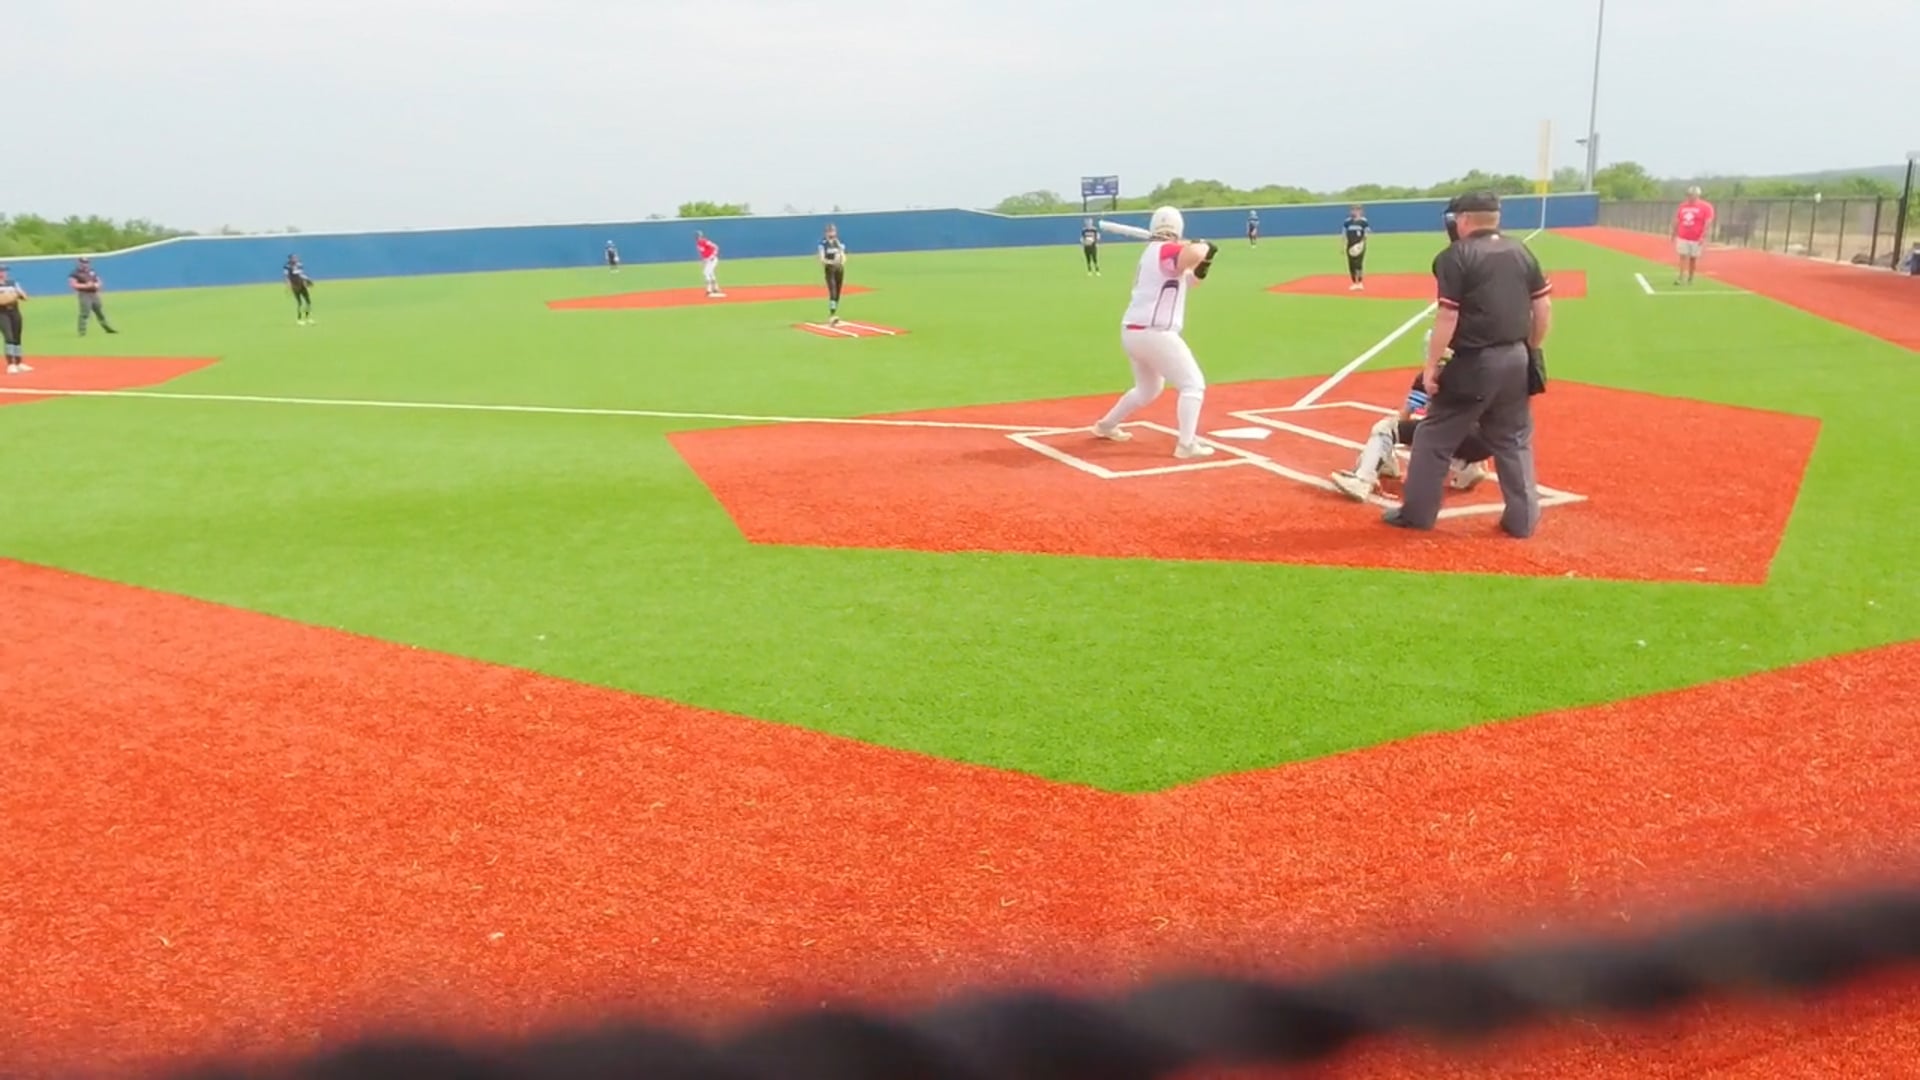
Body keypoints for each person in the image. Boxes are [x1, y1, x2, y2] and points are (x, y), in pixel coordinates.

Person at [1384, 191, 1551, 538]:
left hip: (1476, 361)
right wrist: (1531, 349)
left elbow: (1448, 315)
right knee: (1514, 439)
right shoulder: (1520, 251)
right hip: (1517, 357)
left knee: (1433, 436)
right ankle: (1522, 520)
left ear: (1463, 220)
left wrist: (1431, 366)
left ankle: (1417, 514)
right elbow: (1543, 307)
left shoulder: (1456, 256)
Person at [1089, 206, 1220, 459]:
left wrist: (1207, 258)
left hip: (1135, 333)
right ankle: (1186, 445)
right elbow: (1193, 254)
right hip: (1154, 334)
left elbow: (1193, 280)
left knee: (1148, 389)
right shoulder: (1165, 250)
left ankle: (1106, 425)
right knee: (1193, 385)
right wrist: (1201, 246)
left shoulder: (1158, 253)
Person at [1330, 331, 1493, 501]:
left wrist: (1379, 452)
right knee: (1454, 427)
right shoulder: (1478, 372)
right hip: (1488, 443)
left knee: (1386, 429)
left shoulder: (1429, 377)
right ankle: (1467, 467)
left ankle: (1363, 480)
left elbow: (1404, 418)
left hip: (1455, 434)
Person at [1672, 186, 1715, 285]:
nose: (1689, 197)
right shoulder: (1683, 206)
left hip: (1696, 237)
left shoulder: (1705, 207)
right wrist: (1674, 232)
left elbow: (1708, 222)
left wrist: (1703, 236)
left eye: (1692, 195)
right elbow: (1677, 219)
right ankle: (1681, 277)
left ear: (1697, 195)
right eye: (1688, 195)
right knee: (1682, 256)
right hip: (1683, 235)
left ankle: (1690, 278)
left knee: (1693, 258)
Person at [69, 258, 118, 336]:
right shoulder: (75, 273)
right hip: (84, 294)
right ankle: (82, 331)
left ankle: (107, 328)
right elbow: (73, 285)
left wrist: (96, 285)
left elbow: (99, 281)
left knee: (99, 312)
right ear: (79, 263)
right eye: (83, 262)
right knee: (85, 313)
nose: (85, 264)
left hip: (94, 293)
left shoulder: (92, 271)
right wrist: (86, 286)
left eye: (86, 262)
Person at [0, 265, 29, 374]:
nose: (3, 273)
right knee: (9, 337)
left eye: (4, 271)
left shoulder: (12, 283)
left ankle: (19, 363)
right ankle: (10, 364)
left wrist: (20, 294)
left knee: (17, 337)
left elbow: (24, 296)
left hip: (14, 311)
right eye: (1, 271)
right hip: (2, 313)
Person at [818, 223, 848, 324]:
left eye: (833, 231)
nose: (832, 233)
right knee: (833, 292)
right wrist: (832, 262)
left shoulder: (838, 242)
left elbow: (843, 255)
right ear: (826, 232)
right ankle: (832, 315)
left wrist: (842, 261)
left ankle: (834, 312)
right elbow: (822, 259)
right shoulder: (823, 244)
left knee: (838, 293)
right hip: (830, 270)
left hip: (839, 269)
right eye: (830, 231)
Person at [1343, 205, 1371, 291]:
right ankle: (1354, 283)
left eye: (1356, 210)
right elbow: (1344, 234)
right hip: (1350, 245)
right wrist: (1342, 246)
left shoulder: (1363, 221)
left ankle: (1360, 282)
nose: (1353, 212)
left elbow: (1367, 232)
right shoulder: (1347, 222)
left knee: (1358, 264)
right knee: (1351, 264)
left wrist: (1361, 243)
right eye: (1352, 210)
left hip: (1359, 246)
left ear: (1360, 211)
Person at [285, 255, 315, 325]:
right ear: (290, 259)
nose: (296, 259)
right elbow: (287, 276)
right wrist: (288, 285)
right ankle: (299, 319)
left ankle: (308, 318)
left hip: (302, 285)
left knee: (308, 301)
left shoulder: (299, 264)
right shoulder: (287, 266)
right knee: (300, 303)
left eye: (296, 258)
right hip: (295, 286)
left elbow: (302, 274)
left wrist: (308, 279)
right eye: (294, 258)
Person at [695, 232, 724, 298]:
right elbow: (702, 253)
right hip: (707, 260)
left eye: (698, 236)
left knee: (706, 272)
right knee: (711, 273)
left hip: (712, 260)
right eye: (696, 236)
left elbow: (716, 247)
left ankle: (709, 289)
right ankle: (716, 288)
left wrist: (713, 255)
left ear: (701, 236)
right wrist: (703, 261)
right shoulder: (698, 244)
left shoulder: (705, 241)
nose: (698, 238)